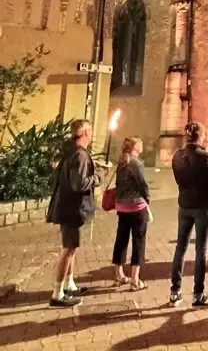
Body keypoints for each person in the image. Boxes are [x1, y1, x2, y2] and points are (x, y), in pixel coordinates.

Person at [46, 119, 105, 307]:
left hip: (67, 207)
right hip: (72, 209)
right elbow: (78, 184)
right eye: (91, 131)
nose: (92, 134)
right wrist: (98, 177)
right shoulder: (80, 155)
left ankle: (69, 284)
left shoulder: (70, 152)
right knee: (68, 249)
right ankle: (57, 294)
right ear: (86, 133)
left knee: (71, 247)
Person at [170, 122, 208, 308]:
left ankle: (175, 291)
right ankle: (198, 294)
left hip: (184, 204)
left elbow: (178, 178)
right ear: (200, 136)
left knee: (180, 247)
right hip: (201, 206)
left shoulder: (177, 155)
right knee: (201, 250)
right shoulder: (204, 157)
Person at [111, 137, 151, 290]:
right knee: (138, 241)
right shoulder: (136, 163)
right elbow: (142, 184)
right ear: (135, 147)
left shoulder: (122, 162)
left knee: (121, 240)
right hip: (136, 207)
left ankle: (119, 274)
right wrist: (147, 199)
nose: (142, 145)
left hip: (122, 207)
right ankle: (135, 279)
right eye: (140, 143)